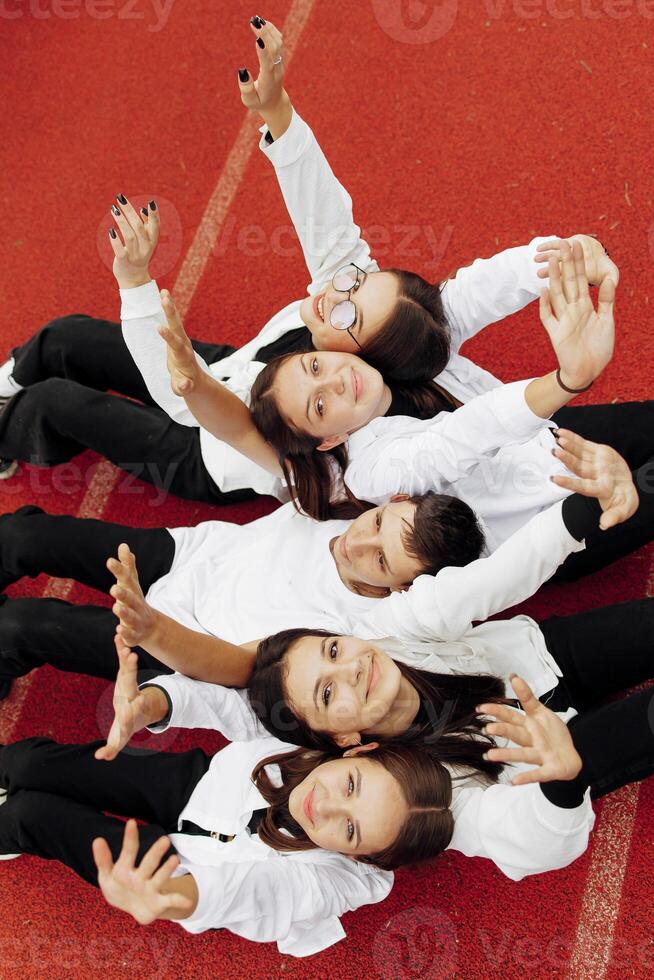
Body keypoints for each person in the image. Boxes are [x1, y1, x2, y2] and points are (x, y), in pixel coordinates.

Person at [0, 17, 625, 507]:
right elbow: (440, 275)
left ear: (362, 359)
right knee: (68, 336)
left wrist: (135, 284)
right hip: (243, 361)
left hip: (204, 439)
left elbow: (184, 400)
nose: (335, 290)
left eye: (349, 304)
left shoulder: (329, 409)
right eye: (359, 279)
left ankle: (9, 434)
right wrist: (567, 254)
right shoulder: (357, 317)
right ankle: (9, 378)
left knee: (57, 403)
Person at [0, 430, 637, 701]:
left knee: (23, 628)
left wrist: (152, 630)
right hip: (184, 556)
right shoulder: (345, 501)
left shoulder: (364, 627)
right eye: (379, 525)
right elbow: (457, 436)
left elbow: (237, 669)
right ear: (390, 503)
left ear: (406, 585)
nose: (360, 544)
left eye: (381, 560)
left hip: (179, 643)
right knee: (27, 532)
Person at [0, 640, 452, 957]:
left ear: (366, 858)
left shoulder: (343, 885)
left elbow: (259, 892)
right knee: (26, 763)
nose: (326, 805)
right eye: (351, 784)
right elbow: (233, 708)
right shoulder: (320, 726)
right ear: (358, 749)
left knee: (30, 815)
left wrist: (173, 896)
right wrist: (155, 702)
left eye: (350, 830)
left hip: (191, 872)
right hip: (199, 787)